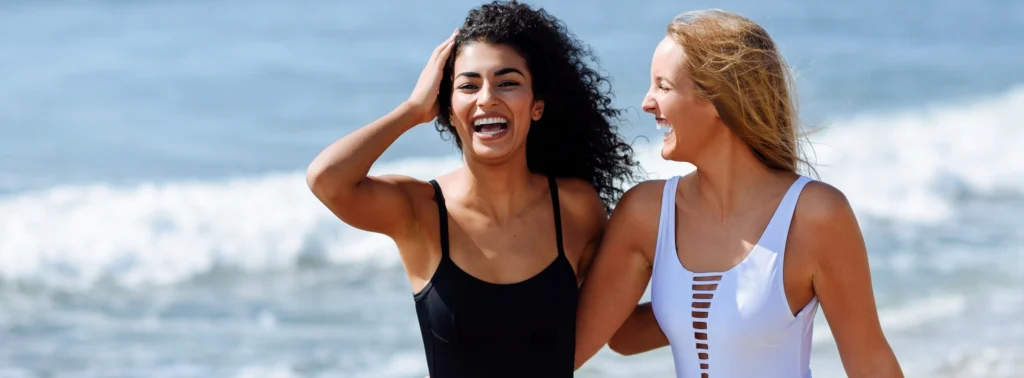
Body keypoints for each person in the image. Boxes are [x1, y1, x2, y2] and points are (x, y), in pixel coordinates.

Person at [306, 1, 638, 377]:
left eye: (507, 82)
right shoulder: (421, 212)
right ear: (447, 108)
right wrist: (413, 109)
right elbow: (326, 179)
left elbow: (621, 330)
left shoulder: (576, 209)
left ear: (537, 107)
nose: (487, 98)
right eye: (468, 85)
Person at [573, 9, 904, 378]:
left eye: (663, 86)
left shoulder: (814, 216)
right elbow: (620, 336)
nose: (647, 103)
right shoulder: (646, 212)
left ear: (718, 98)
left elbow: (871, 363)